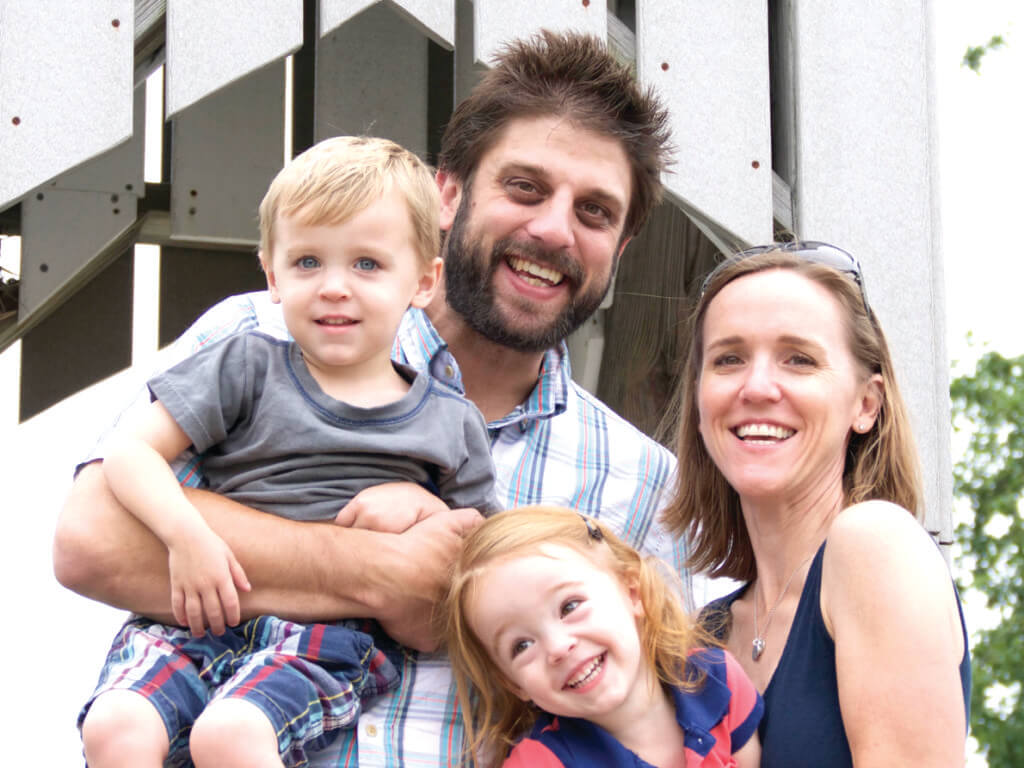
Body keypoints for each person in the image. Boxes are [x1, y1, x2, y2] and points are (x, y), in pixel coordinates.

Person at [54, 30, 681, 767]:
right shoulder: (258, 335)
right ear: (447, 194)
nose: (552, 229)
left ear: (622, 246)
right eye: (525, 187)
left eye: (595, 212)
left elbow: (648, 712)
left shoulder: (642, 481)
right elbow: (92, 540)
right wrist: (378, 570)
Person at [78, 136, 499, 768]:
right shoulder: (244, 364)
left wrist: (424, 511)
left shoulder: (451, 421)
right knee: (115, 726)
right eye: (307, 262)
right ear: (272, 275)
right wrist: (186, 536)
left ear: (422, 281)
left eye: (366, 265)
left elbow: (480, 568)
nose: (333, 287)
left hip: (327, 643)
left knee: (232, 737)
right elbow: (128, 454)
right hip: (199, 617)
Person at [661, 242, 971, 767]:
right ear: (698, 402)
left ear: (866, 404)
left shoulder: (875, 544)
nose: (756, 387)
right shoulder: (701, 636)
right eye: (728, 359)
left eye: (799, 360)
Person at [441, 505, 762, 768]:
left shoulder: (716, 679)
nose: (558, 647)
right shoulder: (540, 763)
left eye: (569, 606)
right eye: (521, 645)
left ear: (632, 592)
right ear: (514, 683)